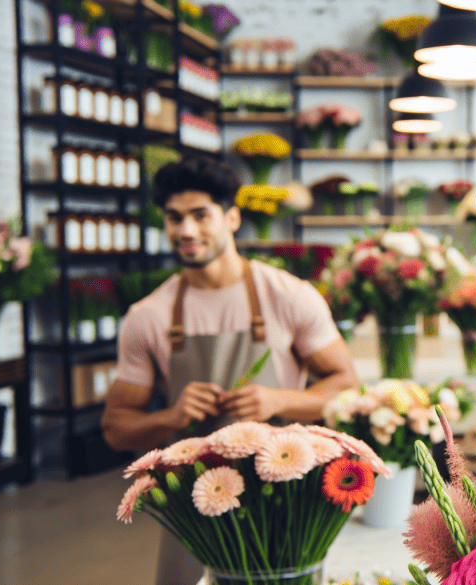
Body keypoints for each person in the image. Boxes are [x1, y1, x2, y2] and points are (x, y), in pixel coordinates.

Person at [101, 155, 358, 585]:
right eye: (174, 217)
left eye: (201, 215)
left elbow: (347, 384)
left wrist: (280, 400)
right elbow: (116, 428)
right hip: (192, 504)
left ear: (232, 218)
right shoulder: (147, 316)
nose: (186, 231)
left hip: (282, 492)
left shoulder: (288, 296)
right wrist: (172, 417)